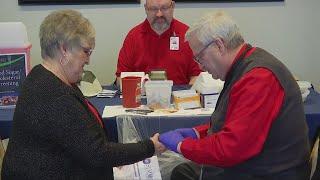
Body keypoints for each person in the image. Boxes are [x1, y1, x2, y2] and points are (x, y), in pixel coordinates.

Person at [1, 9, 165, 180]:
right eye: (86, 52)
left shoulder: (39, 76)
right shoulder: (55, 96)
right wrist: (149, 147)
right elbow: (98, 154)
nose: (88, 60)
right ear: (64, 49)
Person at [159, 11, 310, 180]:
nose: (200, 67)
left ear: (219, 45)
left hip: (270, 172)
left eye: (200, 57)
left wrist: (182, 145)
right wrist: (197, 133)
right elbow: (236, 123)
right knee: (182, 172)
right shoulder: (246, 65)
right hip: (257, 164)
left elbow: (231, 149)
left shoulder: (258, 78)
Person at [115, 0, 201, 86]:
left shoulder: (187, 35)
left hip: (179, 96)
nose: (159, 14)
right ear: (146, 9)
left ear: (173, 6)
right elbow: (121, 78)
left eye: (164, 8)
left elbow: (197, 76)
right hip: (142, 95)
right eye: (153, 9)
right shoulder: (133, 37)